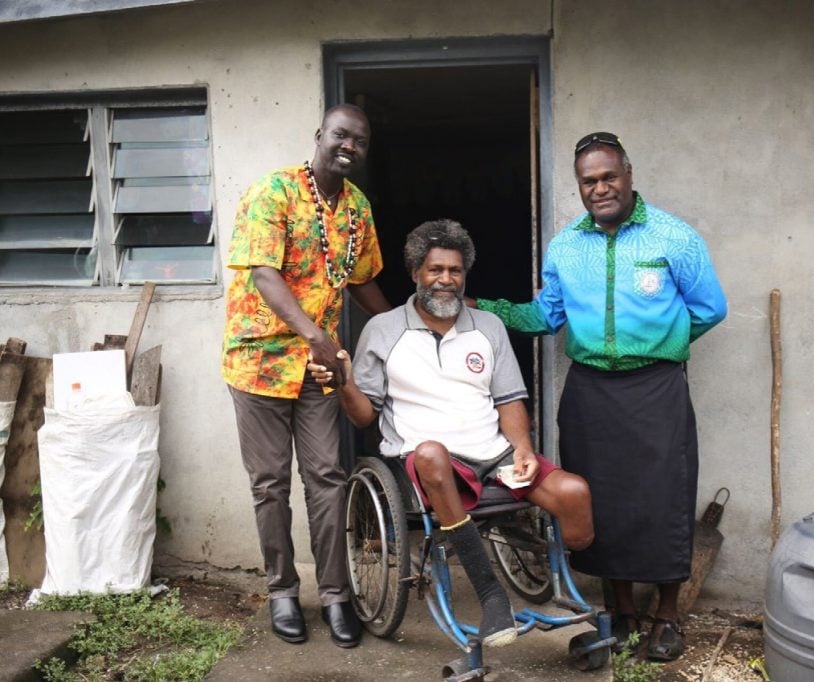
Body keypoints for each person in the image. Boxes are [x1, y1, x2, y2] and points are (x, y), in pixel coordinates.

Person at [471, 132, 727, 661]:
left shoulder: (673, 238)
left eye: (609, 176)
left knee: (663, 498)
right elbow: (545, 316)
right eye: (589, 181)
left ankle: (667, 616)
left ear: (629, 174)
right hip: (589, 391)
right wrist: (487, 308)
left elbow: (710, 309)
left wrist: (661, 344)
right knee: (599, 500)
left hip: (655, 388)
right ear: (579, 187)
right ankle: (622, 614)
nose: (600, 188)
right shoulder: (566, 246)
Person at [309, 219, 594, 648]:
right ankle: (490, 594)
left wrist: (522, 448)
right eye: (435, 270)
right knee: (430, 453)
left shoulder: (488, 327)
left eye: (455, 271)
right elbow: (364, 417)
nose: (446, 280)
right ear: (415, 274)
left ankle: (560, 580)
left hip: (493, 456)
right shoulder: (384, 329)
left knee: (575, 494)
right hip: (423, 461)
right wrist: (344, 382)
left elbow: (510, 400)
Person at [221, 104, 390, 649]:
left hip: (318, 365)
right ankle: (282, 592)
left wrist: (400, 326)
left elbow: (362, 280)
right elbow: (265, 275)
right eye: (340, 135)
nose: (349, 146)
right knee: (269, 484)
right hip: (259, 361)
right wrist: (316, 334)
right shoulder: (273, 191)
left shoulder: (357, 208)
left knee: (326, 476)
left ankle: (337, 595)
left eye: (359, 141)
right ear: (320, 135)